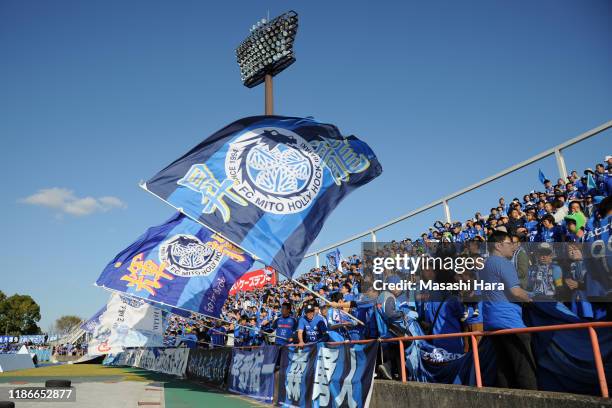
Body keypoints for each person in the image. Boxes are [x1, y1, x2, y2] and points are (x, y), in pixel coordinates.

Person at [480, 230, 537, 390]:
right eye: (509, 243)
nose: (513, 246)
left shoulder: (486, 265)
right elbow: (515, 292)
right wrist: (532, 300)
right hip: (510, 322)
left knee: (504, 369)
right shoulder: (503, 263)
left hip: (492, 322)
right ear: (498, 245)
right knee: (524, 367)